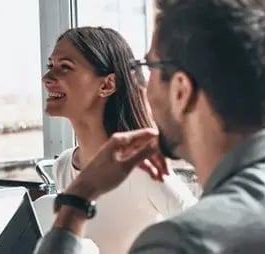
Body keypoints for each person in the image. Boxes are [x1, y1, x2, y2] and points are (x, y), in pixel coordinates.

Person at [35, 0, 265, 254]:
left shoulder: (180, 242)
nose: (140, 85)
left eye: (148, 68)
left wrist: (78, 200)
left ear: (180, 91)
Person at [42, 27, 196, 253]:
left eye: (65, 67)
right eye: (50, 66)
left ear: (106, 85)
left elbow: (203, 232)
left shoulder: (142, 168)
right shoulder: (64, 165)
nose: (47, 78)